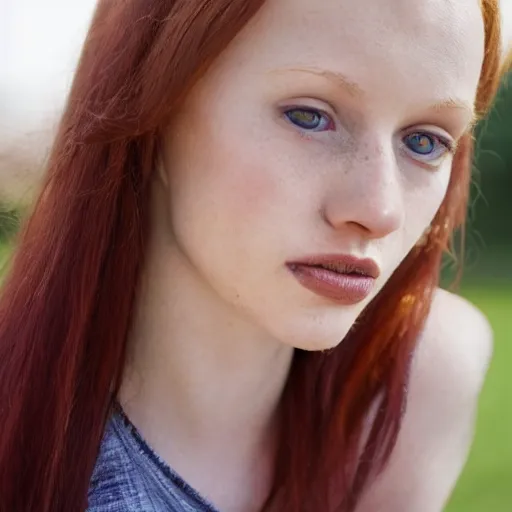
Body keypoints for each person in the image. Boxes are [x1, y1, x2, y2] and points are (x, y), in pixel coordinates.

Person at [0, 0, 508, 510]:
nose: (379, 210)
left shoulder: (420, 379)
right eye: (309, 116)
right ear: (155, 115)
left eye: (424, 141)